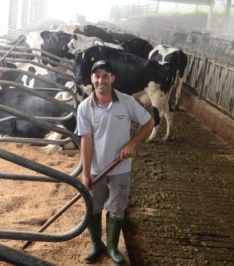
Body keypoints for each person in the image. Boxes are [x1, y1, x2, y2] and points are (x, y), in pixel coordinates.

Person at [77, 60, 154, 264]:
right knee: (92, 207)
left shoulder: (127, 101)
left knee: (117, 208)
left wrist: (132, 144)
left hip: (120, 168)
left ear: (112, 78)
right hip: (96, 169)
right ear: (91, 79)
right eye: (97, 76)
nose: (101, 80)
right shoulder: (85, 107)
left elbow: (149, 122)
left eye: (105, 76)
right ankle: (97, 245)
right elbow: (85, 141)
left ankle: (112, 247)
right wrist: (86, 174)